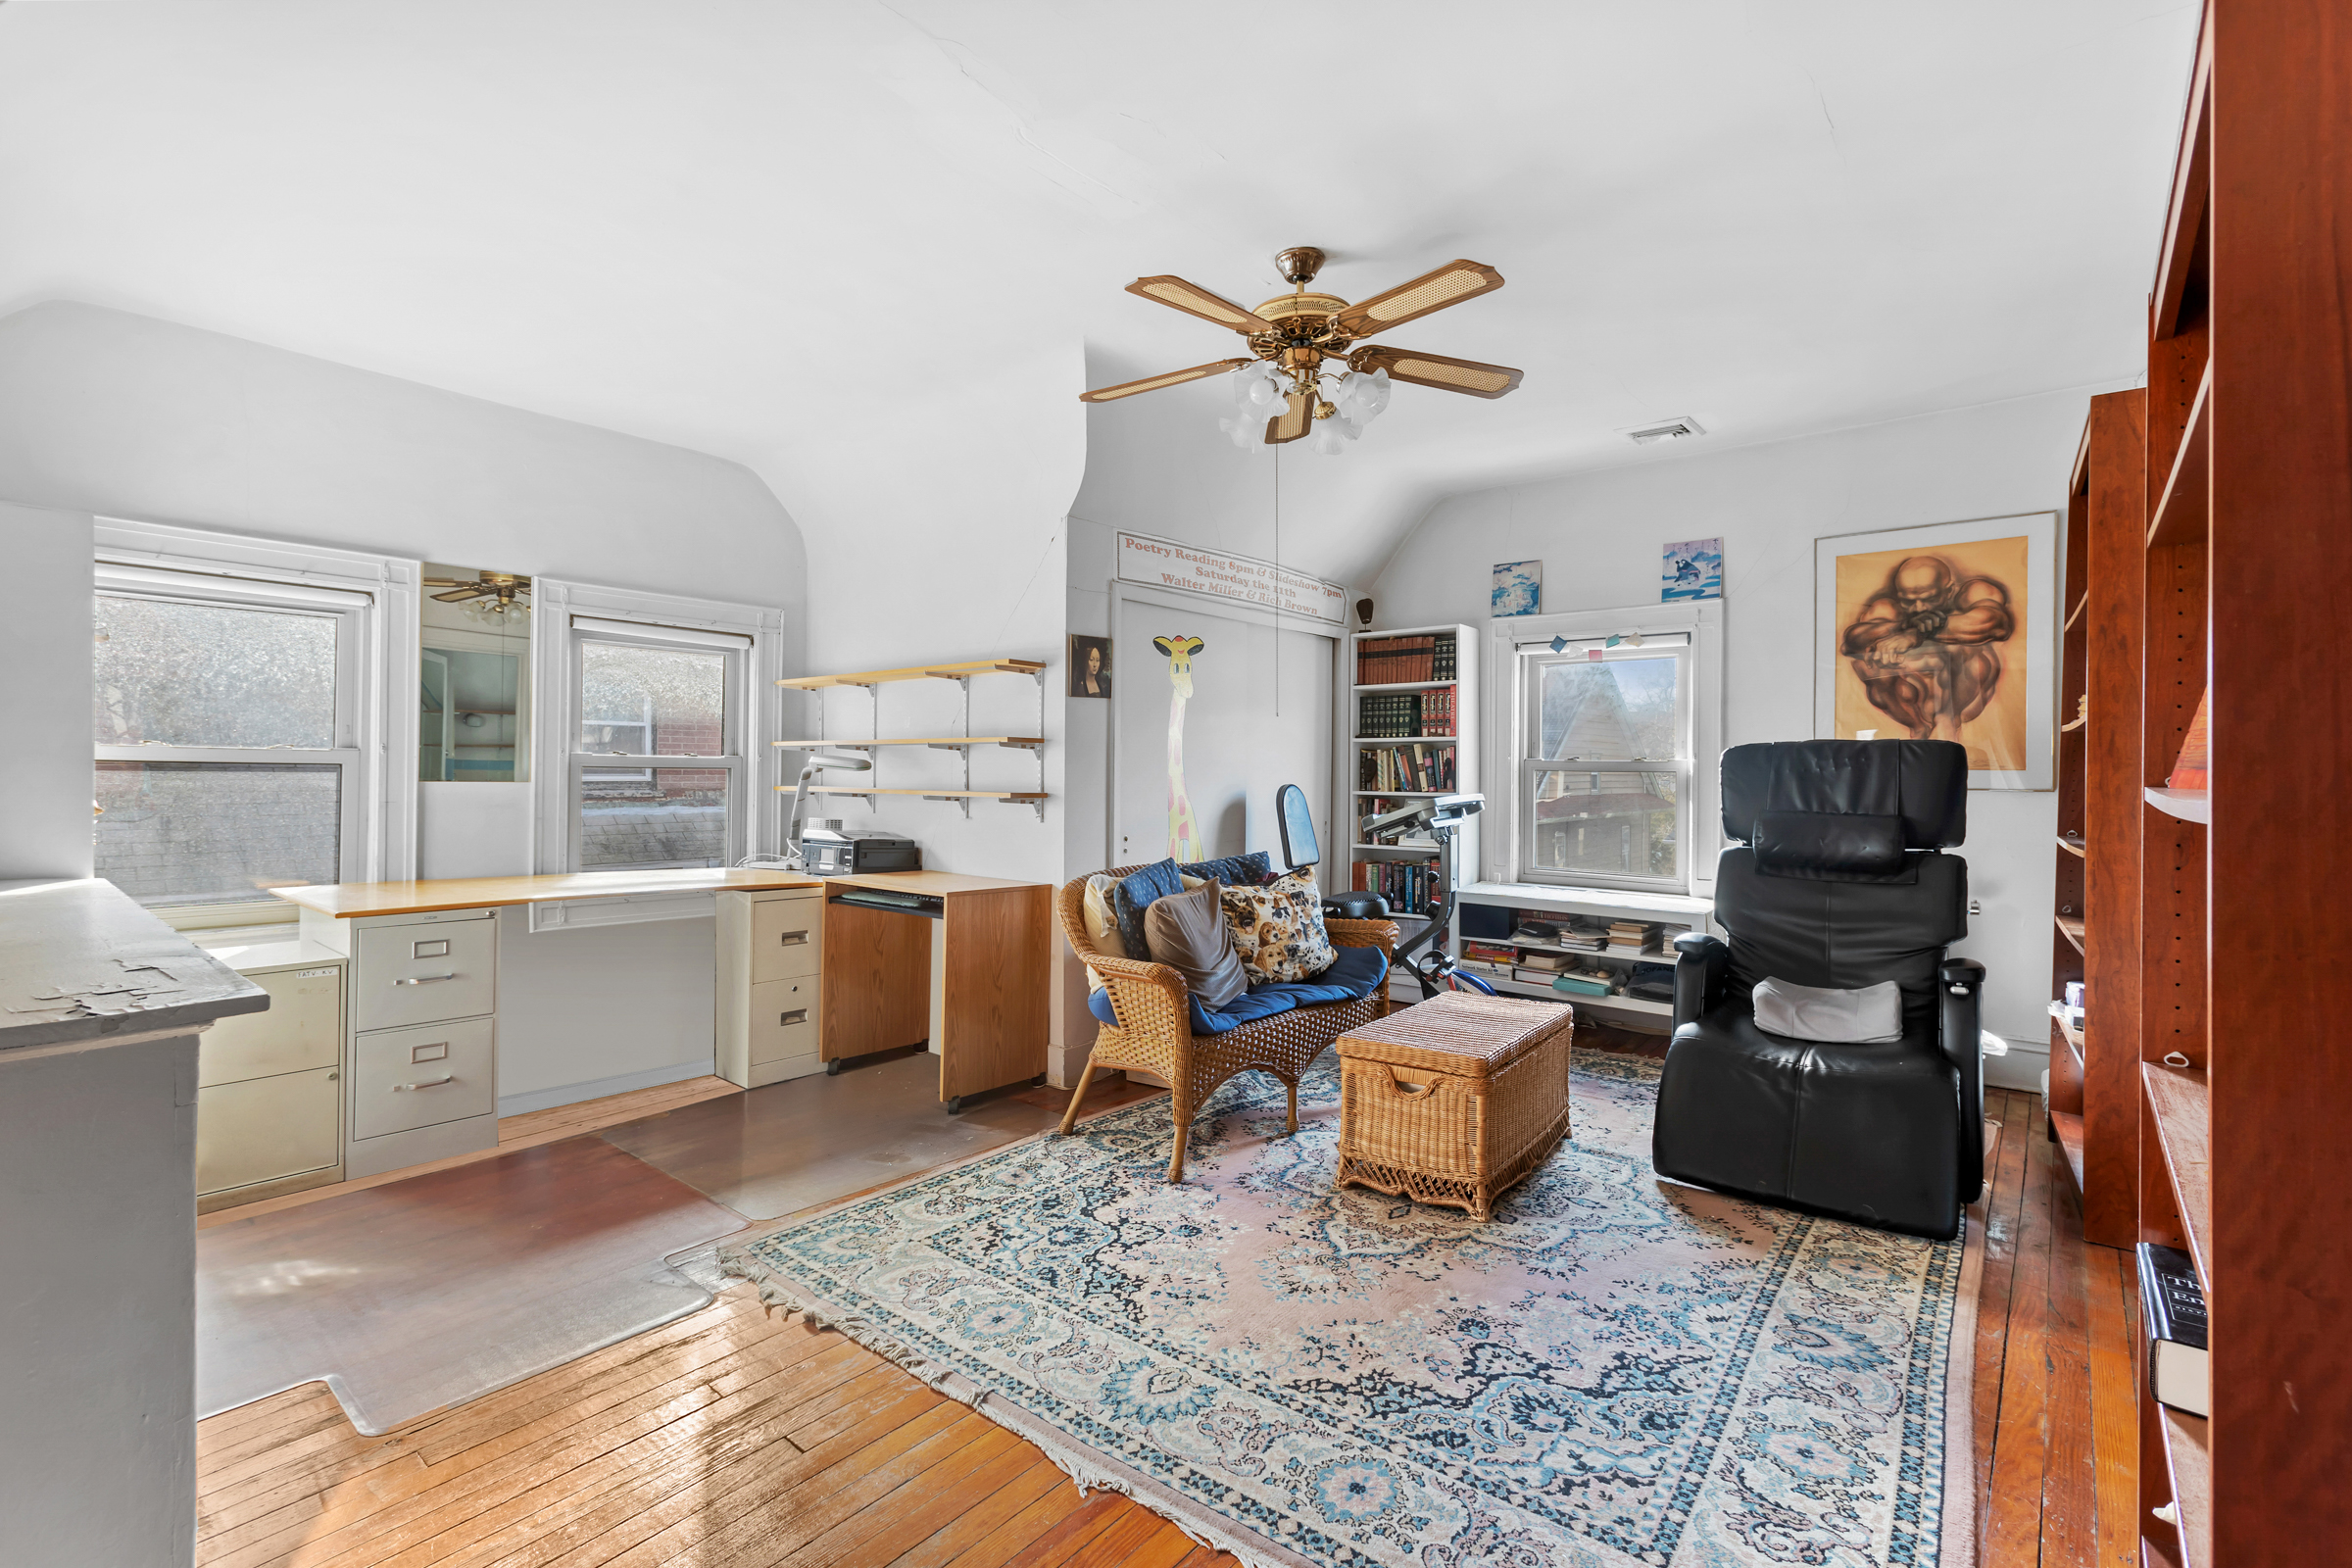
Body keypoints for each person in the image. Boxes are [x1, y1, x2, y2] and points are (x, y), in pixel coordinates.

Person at [1839, 555, 2015, 744]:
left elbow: (1994, 623)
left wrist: (1918, 634)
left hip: (1964, 693)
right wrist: (1905, 626)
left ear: (1949, 591)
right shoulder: (1890, 607)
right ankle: (1921, 727)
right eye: (1908, 601)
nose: (1918, 608)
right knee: (1870, 664)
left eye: (1929, 598)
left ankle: (1944, 721)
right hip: (1910, 703)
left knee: (1958, 652)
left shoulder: (1974, 591)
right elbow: (1852, 641)